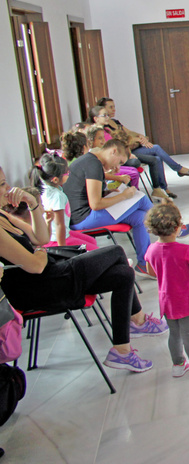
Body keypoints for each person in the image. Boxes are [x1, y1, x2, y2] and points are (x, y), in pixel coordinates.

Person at [0, 163, 167, 373]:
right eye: (2, 184)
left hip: (49, 274)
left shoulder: (3, 216)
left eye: (5, 182)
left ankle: (122, 350)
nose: (8, 189)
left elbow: (41, 238)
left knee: (123, 273)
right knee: (116, 252)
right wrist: (40, 250)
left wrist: (33, 203)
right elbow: (35, 266)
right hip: (39, 287)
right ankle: (138, 321)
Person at [63, 139, 157, 277]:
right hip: (84, 218)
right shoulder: (93, 164)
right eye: (119, 162)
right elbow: (95, 204)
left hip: (81, 215)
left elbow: (88, 194)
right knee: (140, 198)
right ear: (113, 151)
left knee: (140, 217)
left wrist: (112, 193)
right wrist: (124, 196)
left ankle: (144, 264)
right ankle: (170, 224)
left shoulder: (90, 160)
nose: (117, 167)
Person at [144, 202, 189, 379]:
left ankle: (178, 364)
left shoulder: (151, 250)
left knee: (174, 334)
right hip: (186, 300)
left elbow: (151, 272)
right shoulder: (185, 250)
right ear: (177, 227)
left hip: (166, 301)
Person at [95, 97, 189, 200]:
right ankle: (174, 174)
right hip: (126, 152)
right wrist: (137, 140)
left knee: (157, 155)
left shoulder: (115, 122)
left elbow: (129, 132)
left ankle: (163, 188)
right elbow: (121, 142)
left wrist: (141, 137)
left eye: (114, 107)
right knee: (156, 151)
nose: (114, 110)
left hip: (133, 148)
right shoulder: (104, 129)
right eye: (110, 107)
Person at [29, 153, 98, 250]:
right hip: (57, 240)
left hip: (59, 234)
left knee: (92, 241)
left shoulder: (44, 187)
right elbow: (59, 225)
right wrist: (63, 250)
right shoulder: (57, 196)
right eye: (67, 173)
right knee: (94, 250)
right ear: (55, 179)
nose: (69, 174)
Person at [84, 117, 139, 191]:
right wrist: (119, 178)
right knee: (134, 173)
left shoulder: (100, 150)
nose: (103, 140)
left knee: (134, 170)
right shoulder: (93, 156)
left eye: (103, 137)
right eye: (100, 138)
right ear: (91, 139)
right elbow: (96, 202)